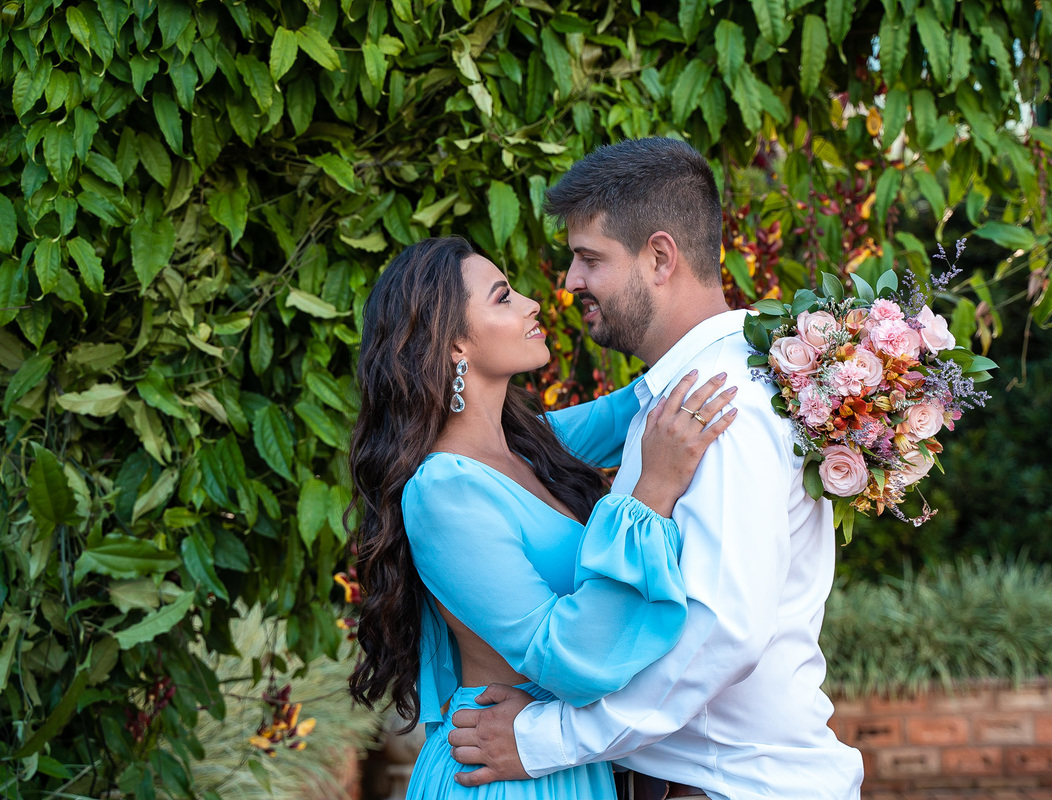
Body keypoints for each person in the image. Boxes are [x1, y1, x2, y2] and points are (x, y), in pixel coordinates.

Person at [447, 137, 866, 800]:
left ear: (660, 256)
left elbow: (719, 631)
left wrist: (548, 739)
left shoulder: (718, 405)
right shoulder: (686, 393)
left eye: (589, 259)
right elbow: (511, 451)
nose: (568, 283)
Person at [345, 234, 739, 799]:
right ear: (453, 344)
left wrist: (794, 344)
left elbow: (645, 395)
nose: (533, 302)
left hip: (558, 754)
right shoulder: (443, 493)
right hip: (500, 770)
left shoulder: (530, 445)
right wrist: (653, 490)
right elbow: (565, 656)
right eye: (503, 297)